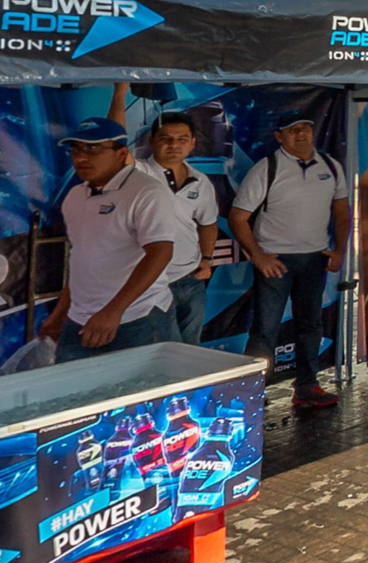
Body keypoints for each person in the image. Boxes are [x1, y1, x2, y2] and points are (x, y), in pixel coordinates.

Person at [228, 111, 350, 408]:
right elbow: (237, 217)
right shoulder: (267, 168)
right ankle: (252, 393)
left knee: (311, 325)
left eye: (305, 128)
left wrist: (340, 251)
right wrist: (258, 256)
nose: (301, 134)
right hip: (276, 261)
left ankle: (307, 387)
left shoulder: (331, 166)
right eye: (292, 130)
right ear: (279, 136)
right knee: (265, 329)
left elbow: (343, 212)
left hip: (314, 259)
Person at [37, 118, 182, 359]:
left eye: (93, 149)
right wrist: (60, 312)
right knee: (75, 393)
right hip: (81, 318)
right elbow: (81, 257)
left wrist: (113, 311)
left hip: (139, 316)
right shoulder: (75, 196)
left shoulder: (147, 192)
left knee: (146, 393)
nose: (82, 157)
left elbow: (160, 253)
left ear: (121, 153)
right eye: (76, 150)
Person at [108, 86, 219, 347]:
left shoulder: (200, 182)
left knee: (190, 349)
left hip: (191, 282)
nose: (174, 145)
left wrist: (207, 259)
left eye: (182, 139)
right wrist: (120, 94)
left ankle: (188, 391)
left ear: (193, 143)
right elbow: (114, 143)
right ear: (152, 141)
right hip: (151, 285)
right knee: (156, 353)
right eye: (166, 138)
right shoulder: (139, 173)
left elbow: (208, 224)